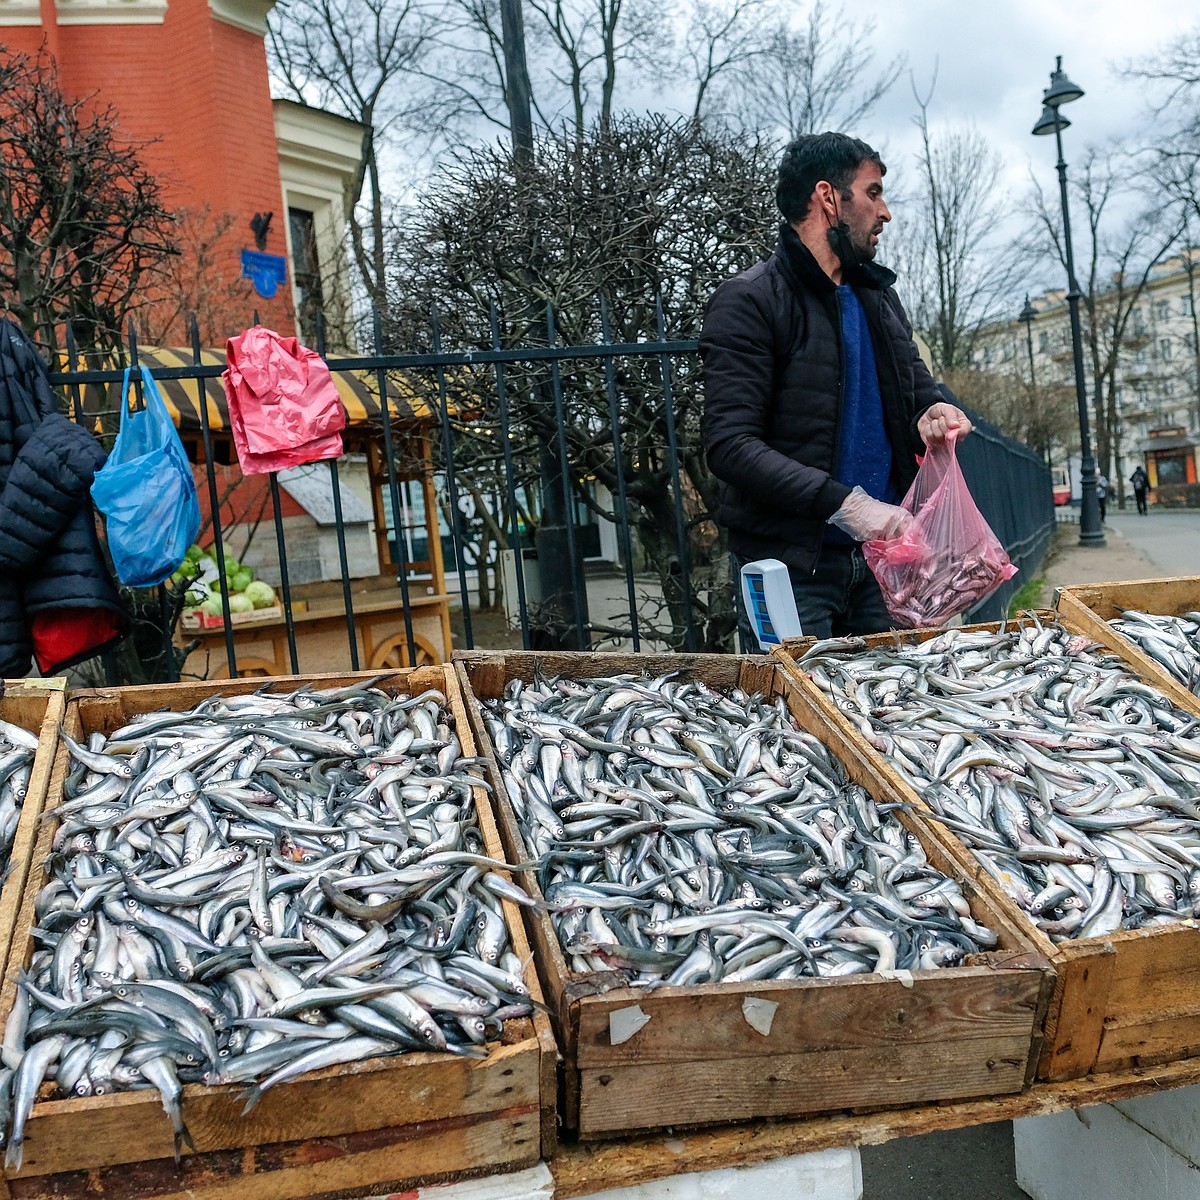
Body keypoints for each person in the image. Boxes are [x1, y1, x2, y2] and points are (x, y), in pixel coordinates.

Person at [701, 132, 971, 642]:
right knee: (800, 718)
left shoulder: (879, 299)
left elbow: (918, 397)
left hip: (884, 566)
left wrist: (937, 415)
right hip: (791, 570)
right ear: (828, 198)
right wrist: (848, 505)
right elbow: (731, 446)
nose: (885, 212)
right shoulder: (751, 302)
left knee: (891, 713)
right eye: (873, 193)